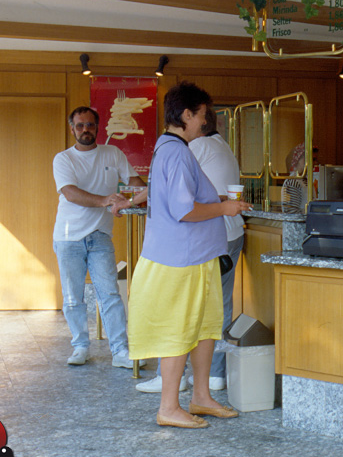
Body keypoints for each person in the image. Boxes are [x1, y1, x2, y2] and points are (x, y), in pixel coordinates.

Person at [127, 82, 251, 429]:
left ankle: (201, 397)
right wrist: (224, 208)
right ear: (186, 114)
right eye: (201, 115)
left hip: (196, 257)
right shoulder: (177, 153)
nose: (204, 122)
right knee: (179, 329)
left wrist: (218, 203)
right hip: (180, 260)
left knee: (204, 327)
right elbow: (184, 211)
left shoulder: (169, 149)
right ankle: (169, 407)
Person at [53, 106, 145, 367]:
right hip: (68, 237)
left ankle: (120, 351)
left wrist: (144, 195)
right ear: (72, 129)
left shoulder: (112, 153)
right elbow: (70, 193)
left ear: (98, 128)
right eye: (80, 125)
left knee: (110, 294)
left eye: (90, 125)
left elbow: (135, 183)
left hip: (100, 235)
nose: (85, 130)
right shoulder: (63, 159)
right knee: (73, 297)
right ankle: (80, 346)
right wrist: (106, 200)